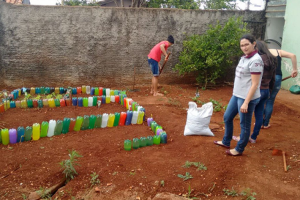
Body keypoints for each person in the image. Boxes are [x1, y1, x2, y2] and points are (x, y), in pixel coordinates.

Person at [214, 34, 263, 156]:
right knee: (227, 117)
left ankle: (239, 149)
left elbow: (255, 84)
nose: (244, 47)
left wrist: (246, 102)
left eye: (247, 44)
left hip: (247, 98)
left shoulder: (255, 60)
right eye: (242, 45)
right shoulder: (244, 58)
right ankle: (226, 141)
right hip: (237, 95)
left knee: (244, 125)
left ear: (254, 43)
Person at [232, 40, 277, 143]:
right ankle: (253, 137)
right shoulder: (271, 59)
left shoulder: (257, 60)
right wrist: (270, 90)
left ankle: (242, 138)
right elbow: (273, 78)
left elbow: (254, 81)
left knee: (246, 118)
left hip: (257, 91)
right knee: (259, 114)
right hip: (266, 90)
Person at [262, 49, 298, 128]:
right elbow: (293, 55)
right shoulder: (278, 51)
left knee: (262, 100)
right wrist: (294, 69)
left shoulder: (261, 52)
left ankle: (260, 123)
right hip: (277, 77)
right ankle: (266, 123)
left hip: (265, 78)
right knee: (270, 100)